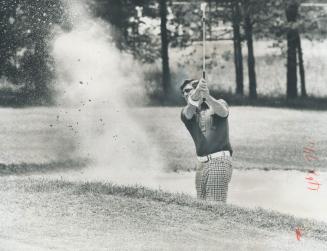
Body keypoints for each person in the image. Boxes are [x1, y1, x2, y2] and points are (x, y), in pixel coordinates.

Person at [180, 78, 233, 202]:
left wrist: (207, 96)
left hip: (219, 161)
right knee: (202, 208)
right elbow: (188, 112)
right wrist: (196, 93)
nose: (186, 94)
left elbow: (223, 112)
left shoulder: (218, 103)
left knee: (214, 205)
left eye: (188, 90)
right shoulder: (187, 112)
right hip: (201, 164)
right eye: (184, 92)